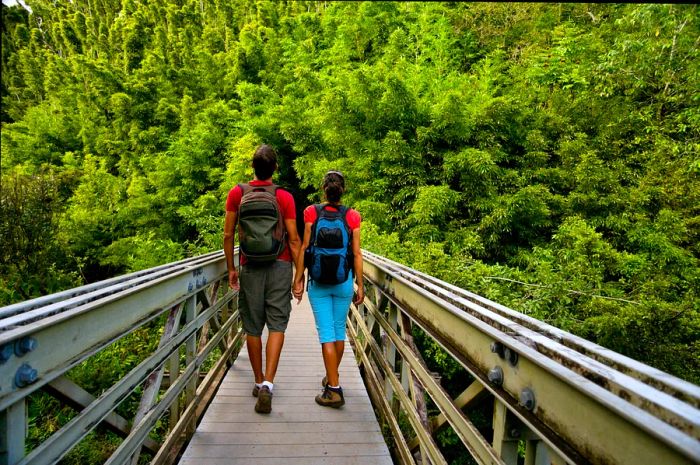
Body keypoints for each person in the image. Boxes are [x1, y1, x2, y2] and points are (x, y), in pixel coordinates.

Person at [223, 144, 302, 414]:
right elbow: (294, 239)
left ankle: (257, 381)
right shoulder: (284, 197)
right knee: (277, 324)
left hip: (249, 265)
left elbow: (228, 234)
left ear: (252, 167)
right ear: (275, 168)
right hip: (280, 265)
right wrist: (298, 275)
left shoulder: (237, 193)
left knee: (253, 325)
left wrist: (231, 269)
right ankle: (269, 382)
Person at [293, 170, 364, 408]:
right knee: (337, 331)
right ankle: (331, 376)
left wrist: (298, 278)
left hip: (319, 282)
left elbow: (304, 247)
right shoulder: (353, 216)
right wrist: (360, 284)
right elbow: (356, 253)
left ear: (324, 189)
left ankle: (334, 390)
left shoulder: (312, 212)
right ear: (343, 190)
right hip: (344, 281)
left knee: (326, 334)